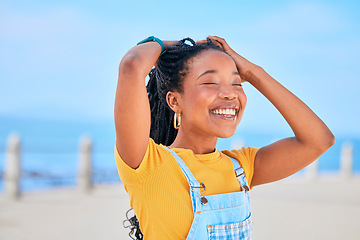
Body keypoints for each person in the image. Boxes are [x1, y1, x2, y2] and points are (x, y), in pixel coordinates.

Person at [114, 36, 335, 239]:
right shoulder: (147, 165)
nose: (229, 93)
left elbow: (319, 140)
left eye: (236, 83)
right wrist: (166, 46)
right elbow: (132, 65)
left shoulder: (242, 167)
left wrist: (253, 73)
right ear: (174, 101)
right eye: (210, 82)